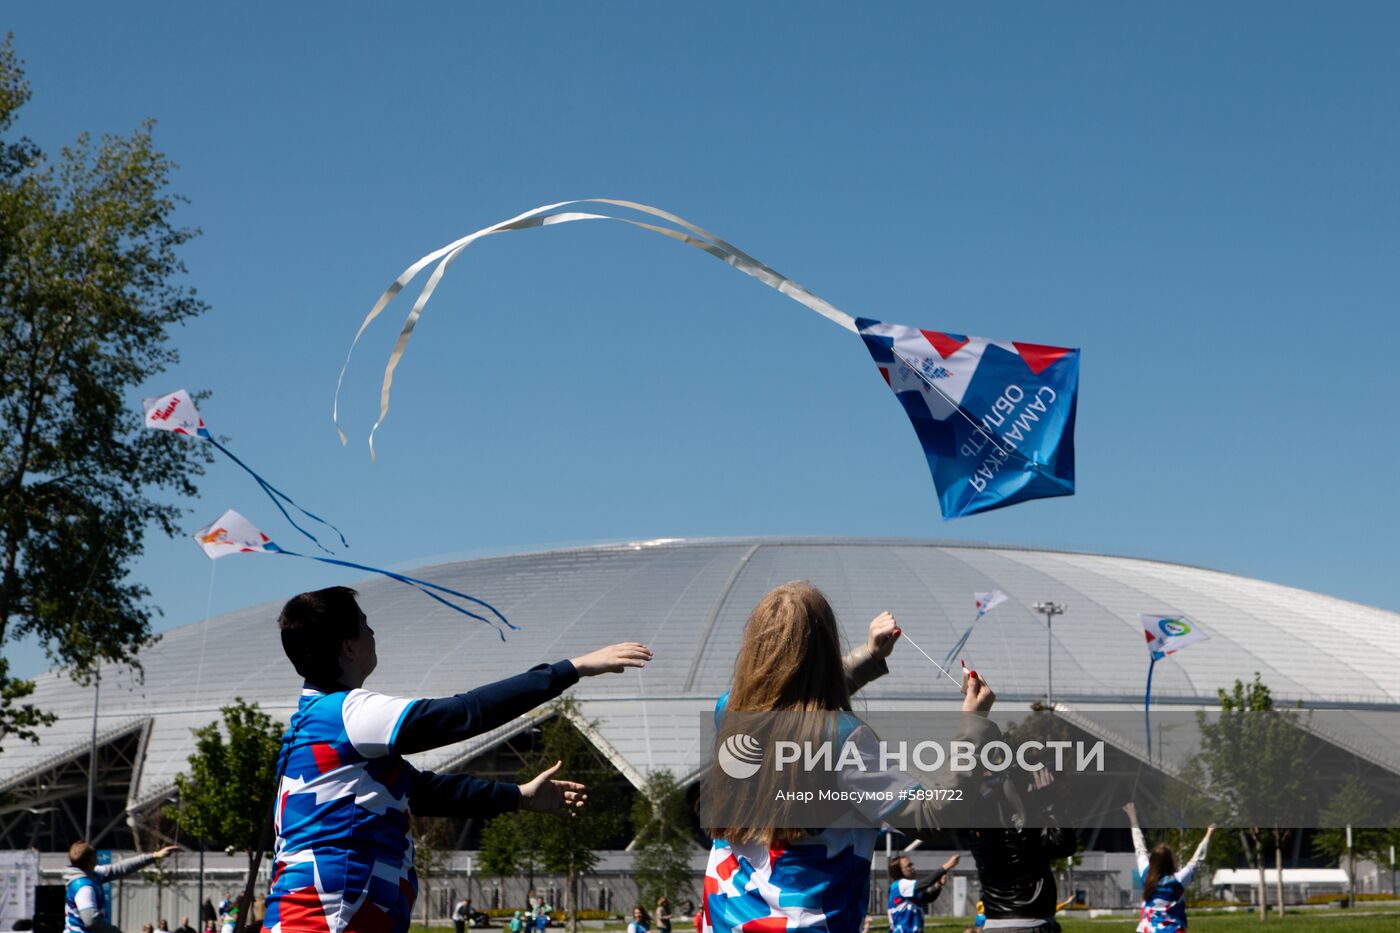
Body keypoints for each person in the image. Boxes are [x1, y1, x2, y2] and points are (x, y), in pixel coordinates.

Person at [262, 586, 651, 933]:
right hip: (328, 920)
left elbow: (423, 791)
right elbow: (465, 713)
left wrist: (518, 796)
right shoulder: (348, 713)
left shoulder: (311, 727)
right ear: (348, 647)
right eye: (366, 625)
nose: (374, 634)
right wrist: (573, 669)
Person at [702, 582, 998, 933]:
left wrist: (868, 657)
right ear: (826, 648)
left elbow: (783, 694)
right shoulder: (843, 739)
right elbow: (934, 815)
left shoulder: (730, 711)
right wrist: (973, 726)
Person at [1123, 803, 1214, 933]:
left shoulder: (1146, 875)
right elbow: (1197, 859)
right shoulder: (1178, 880)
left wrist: (1133, 817)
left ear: (1152, 860)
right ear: (1170, 862)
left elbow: (1139, 847)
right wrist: (1209, 834)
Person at [63, 841, 179, 933]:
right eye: (94, 853)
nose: (97, 856)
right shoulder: (84, 888)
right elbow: (91, 920)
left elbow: (121, 867)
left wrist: (155, 855)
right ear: (89, 861)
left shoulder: (93, 874)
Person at [888, 853, 960, 933]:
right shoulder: (900, 885)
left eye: (912, 864)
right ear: (899, 871)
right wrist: (948, 865)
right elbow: (927, 882)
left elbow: (928, 898)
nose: (913, 868)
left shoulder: (909, 888)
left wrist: (938, 885)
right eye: (909, 866)